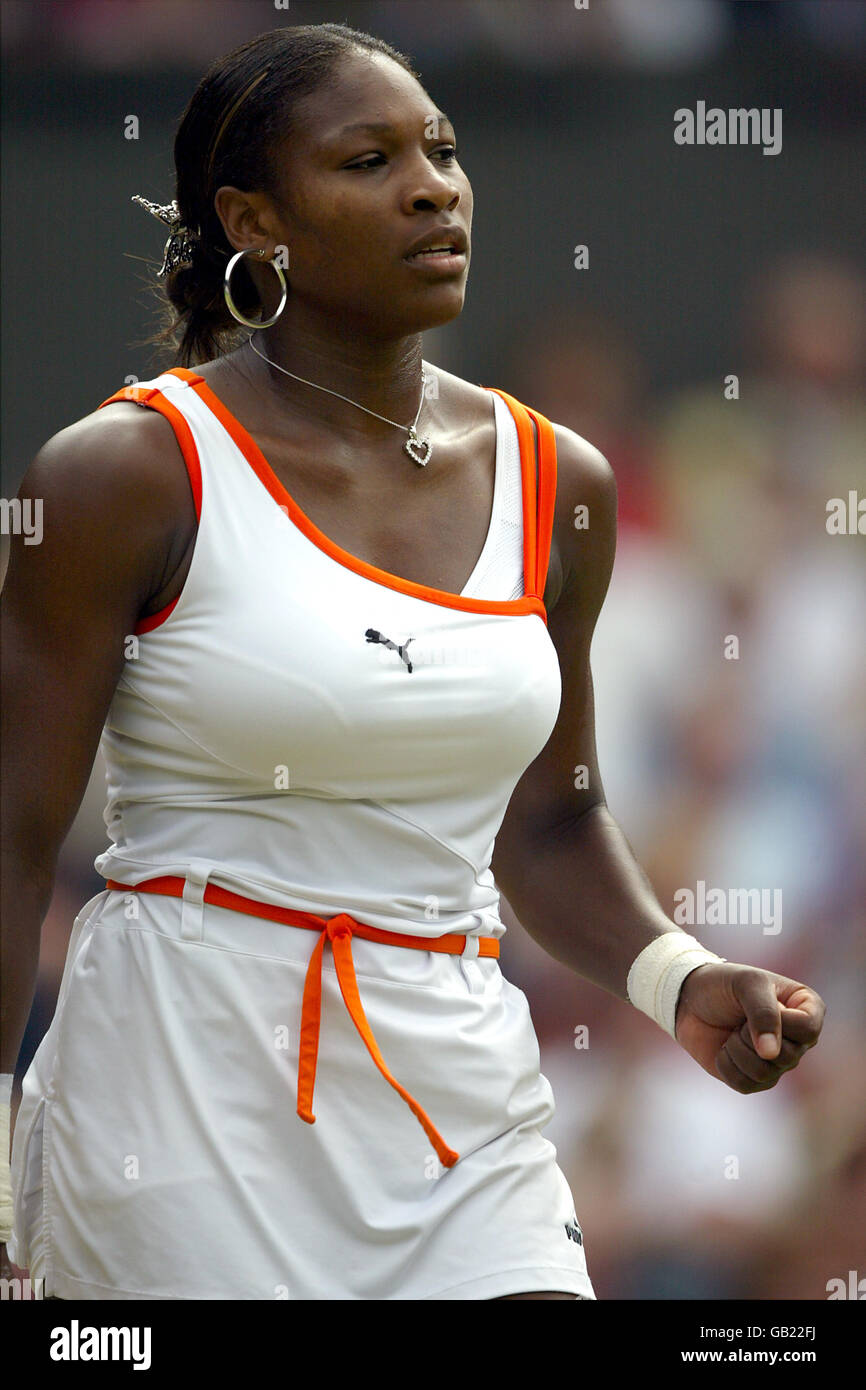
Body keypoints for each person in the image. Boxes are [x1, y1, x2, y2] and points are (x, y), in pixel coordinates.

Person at [0, 22, 825, 1302]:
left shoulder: (565, 486)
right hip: (175, 1097)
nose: (433, 185)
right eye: (369, 159)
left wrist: (678, 976)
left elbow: (548, 820)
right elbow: (9, 835)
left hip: (457, 1102)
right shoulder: (125, 474)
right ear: (253, 220)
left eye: (441, 151)